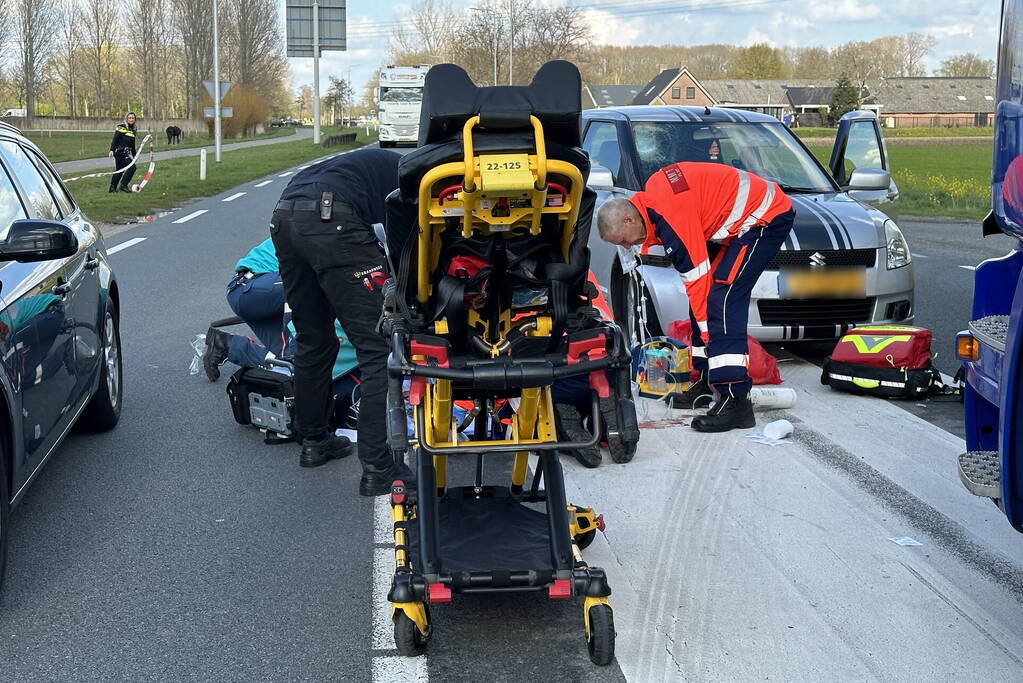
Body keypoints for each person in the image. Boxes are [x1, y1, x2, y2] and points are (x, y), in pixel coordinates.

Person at [596, 161, 794, 432]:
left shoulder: (668, 215)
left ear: (629, 219)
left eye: (623, 240)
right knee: (708, 301)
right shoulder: (653, 203)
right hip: (739, 224)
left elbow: (697, 281)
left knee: (722, 300)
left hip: (766, 218)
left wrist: (711, 336)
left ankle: (735, 400)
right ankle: (706, 379)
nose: (628, 246)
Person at [270, 147, 409, 491]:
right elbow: (408, 249)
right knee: (379, 349)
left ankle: (314, 441)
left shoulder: (374, 165)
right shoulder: (418, 177)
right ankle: (379, 467)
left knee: (314, 338)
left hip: (285, 216)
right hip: (333, 217)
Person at [203, 238, 287, 381]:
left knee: (290, 365)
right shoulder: (318, 232)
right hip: (251, 285)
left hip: (270, 295)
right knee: (307, 283)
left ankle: (225, 345)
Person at [109, 112, 139, 193]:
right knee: (132, 167)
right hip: (119, 152)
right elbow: (115, 139)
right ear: (126, 119)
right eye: (129, 118)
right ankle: (123, 185)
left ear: (135, 119)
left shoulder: (133, 130)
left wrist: (135, 155)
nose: (131, 119)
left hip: (126, 152)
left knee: (120, 169)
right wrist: (111, 150)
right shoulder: (121, 127)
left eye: (133, 118)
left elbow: (132, 145)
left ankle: (112, 188)